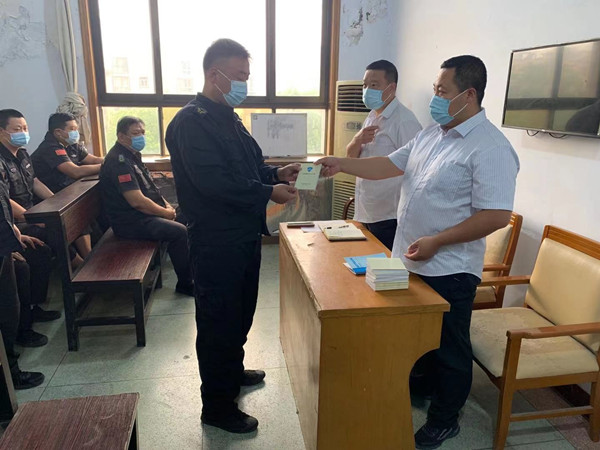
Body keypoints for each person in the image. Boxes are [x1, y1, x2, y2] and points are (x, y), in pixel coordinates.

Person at [317, 55, 520, 449]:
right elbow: (388, 166)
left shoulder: (490, 147)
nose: (435, 98)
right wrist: (341, 163)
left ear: (469, 95)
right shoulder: (432, 134)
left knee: (450, 348)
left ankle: (445, 419)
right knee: (417, 337)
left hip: (449, 268)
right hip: (410, 258)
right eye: (435, 90)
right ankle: (422, 387)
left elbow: (496, 215)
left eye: (443, 91)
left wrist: (438, 241)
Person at [165, 38, 299, 434]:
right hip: (215, 241)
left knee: (240, 312)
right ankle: (217, 407)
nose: (245, 83)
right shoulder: (191, 122)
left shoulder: (229, 118)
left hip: (243, 235)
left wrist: (276, 174)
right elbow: (214, 182)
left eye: (247, 75)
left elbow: (249, 167)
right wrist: (268, 192)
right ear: (214, 74)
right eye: (239, 75)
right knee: (218, 321)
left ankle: (232, 371)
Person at [99, 116, 194, 296]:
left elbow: (151, 189)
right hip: (130, 221)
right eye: (136, 133)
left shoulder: (132, 156)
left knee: (188, 212)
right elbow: (136, 201)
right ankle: (186, 283)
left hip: (144, 215)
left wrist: (167, 207)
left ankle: (195, 266)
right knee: (179, 232)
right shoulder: (119, 161)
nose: (141, 137)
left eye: (142, 132)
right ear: (121, 136)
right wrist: (164, 213)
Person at [347, 60, 421, 250]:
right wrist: (356, 140)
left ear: (391, 88)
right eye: (365, 85)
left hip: (389, 215)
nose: (367, 90)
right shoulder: (372, 115)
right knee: (363, 260)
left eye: (374, 85)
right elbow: (351, 159)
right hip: (366, 209)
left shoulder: (404, 121)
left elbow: (417, 168)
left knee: (384, 264)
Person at [0, 109, 61, 323]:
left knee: (62, 227)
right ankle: (30, 311)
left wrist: (57, 202)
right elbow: (4, 200)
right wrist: (31, 218)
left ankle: (36, 304)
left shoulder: (23, 154)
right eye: (17, 129)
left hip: (31, 213)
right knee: (45, 245)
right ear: (1, 132)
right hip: (15, 221)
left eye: (25, 128)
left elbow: (34, 182)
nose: (23, 132)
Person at [0, 162, 45, 389]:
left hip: (4, 241)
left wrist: (13, 236)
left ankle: (10, 371)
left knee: (9, 311)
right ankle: (9, 376)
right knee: (7, 311)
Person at [32, 112, 104, 194]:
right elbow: (75, 172)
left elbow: (94, 160)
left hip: (69, 189)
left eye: (76, 129)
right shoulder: (50, 148)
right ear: (58, 132)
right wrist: (106, 166)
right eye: (72, 129)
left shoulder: (70, 143)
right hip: (52, 195)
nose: (76, 132)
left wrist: (111, 160)